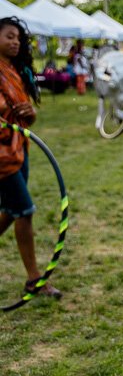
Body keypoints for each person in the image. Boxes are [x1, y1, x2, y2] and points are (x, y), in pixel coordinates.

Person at [0, 17, 61, 298]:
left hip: (19, 148)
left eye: (18, 38)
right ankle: (34, 279)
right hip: (2, 156)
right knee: (24, 211)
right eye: (9, 36)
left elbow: (23, 118)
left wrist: (30, 115)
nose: (15, 42)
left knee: (13, 211)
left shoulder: (15, 71)